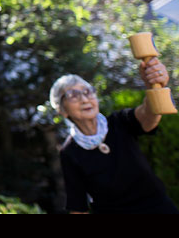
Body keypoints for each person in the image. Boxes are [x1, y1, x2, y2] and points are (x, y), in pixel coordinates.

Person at [49, 58, 179, 214]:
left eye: (87, 91)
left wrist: (153, 86)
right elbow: (78, 206)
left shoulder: (119, 122)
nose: (84, 99)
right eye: (72, 95)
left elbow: (149, 114)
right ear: (62, 110)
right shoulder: (69, 152)